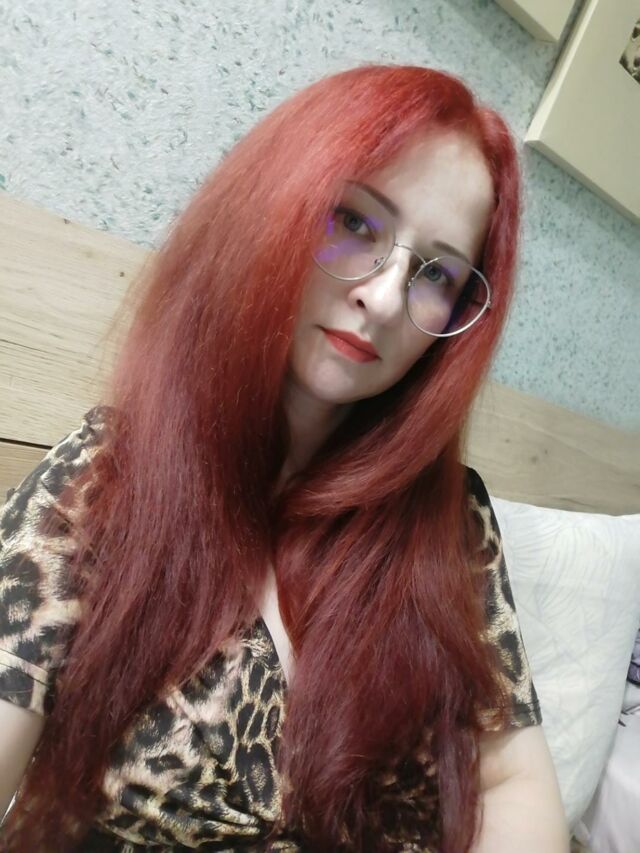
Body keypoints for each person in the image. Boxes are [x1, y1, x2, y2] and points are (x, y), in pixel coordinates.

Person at [0, 63, 569, 852]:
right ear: (274, 209)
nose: (384, 297)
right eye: (355, 221)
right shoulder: (103, 484)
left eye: (436, 272)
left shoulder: (449, 521)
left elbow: (511, 778)